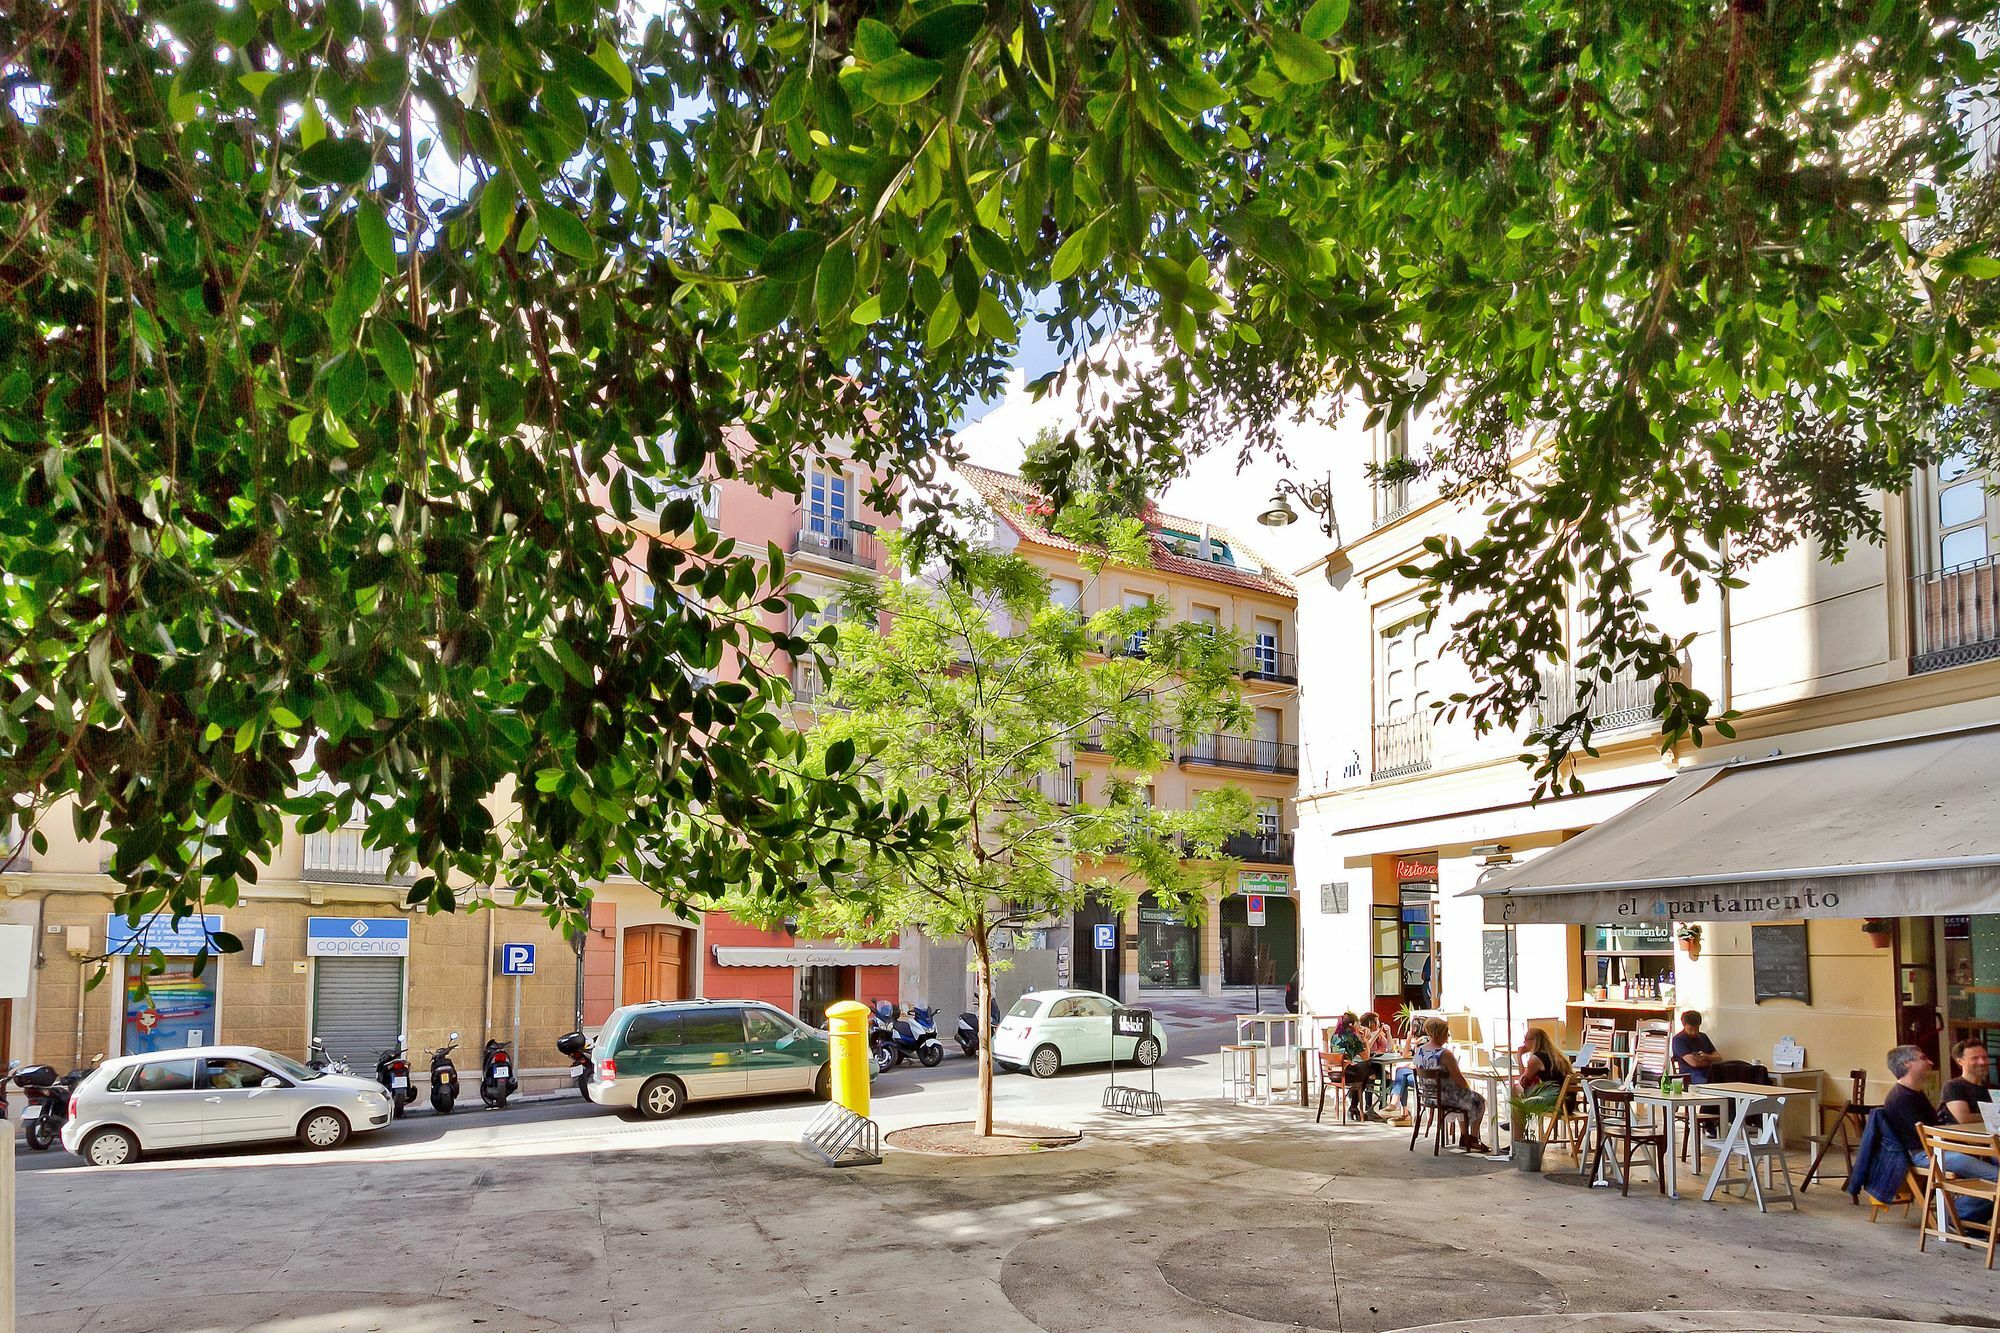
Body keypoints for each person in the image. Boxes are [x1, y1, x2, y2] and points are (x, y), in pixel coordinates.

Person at [1882, 1043, 1996, 1223]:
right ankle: (1957, 1216)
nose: (1930, 1062)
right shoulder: (1901, 1097)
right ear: (1907, 1064)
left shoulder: (1915, 1093)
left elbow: (1934, 1127)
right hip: (1925, 1155)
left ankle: (1966, 1216)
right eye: (1923, 1058)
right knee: (1996, 1176)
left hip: (1939, 1149)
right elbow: (1927, 1135)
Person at [1414, 1016, 1491, 1153]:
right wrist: (1468, 1088)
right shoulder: (1445, 1054)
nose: (1448, 1036)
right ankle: (1472, 1138)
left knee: (1467, 1097)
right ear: (1441, 1033)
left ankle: (1464, 1136)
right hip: (1448, 1097)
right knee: (1478, 1100)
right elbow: (1459, 1080)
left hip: (1428, 1096)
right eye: (1446, 1032)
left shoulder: (1419, 1050)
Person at [1939, 1039, 1994, 1127]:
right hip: (1960, 1139)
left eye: (1984, 1057)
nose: (1982, 1062)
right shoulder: (1953, 1086)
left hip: (1991, 1139)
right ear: (1960, 1061)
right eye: (1975, 1058)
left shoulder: (1994, 1088)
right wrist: (1994, 1117)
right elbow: (1964, 1118)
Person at [1670, 1010, 1719, 1085]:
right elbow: (1694, 1063)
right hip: (1691, 1075)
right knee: (1705, 1083)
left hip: (1710, 1073)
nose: (1694, 1032)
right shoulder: (1679, 1039)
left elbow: (1719, 1058)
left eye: (1696, 1029)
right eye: (1690, 1029)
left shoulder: (1703, 1036)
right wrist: (1711, 1061)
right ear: (1684, 1024)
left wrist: (1706, 1057)